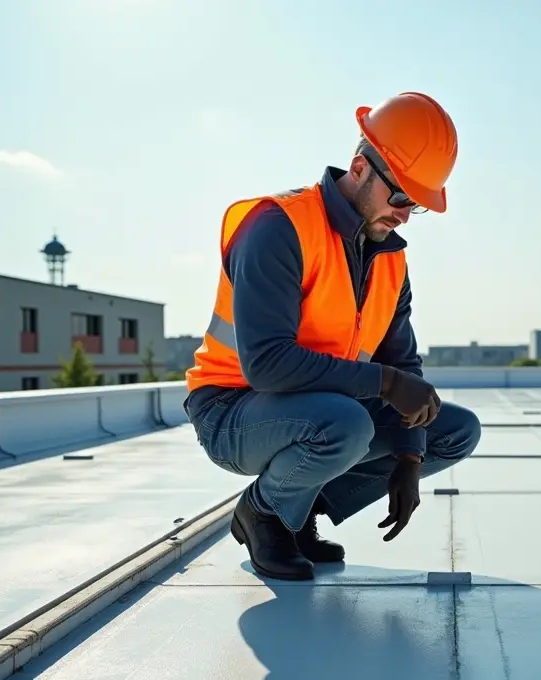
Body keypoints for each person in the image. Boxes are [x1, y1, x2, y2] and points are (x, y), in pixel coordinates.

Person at [183, 92, 482, 581]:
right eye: (401, 196)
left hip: (318, 408)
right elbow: (267, 364)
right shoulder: (278, 227)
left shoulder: (389, 256)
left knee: (451, 431)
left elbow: (402, 361)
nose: (405, 214)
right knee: (347, 423)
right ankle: (264, 513)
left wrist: (409, 454)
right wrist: (385, 384)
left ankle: (299, 513)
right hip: (233, 409)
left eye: (417, 205)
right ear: (360, 167)